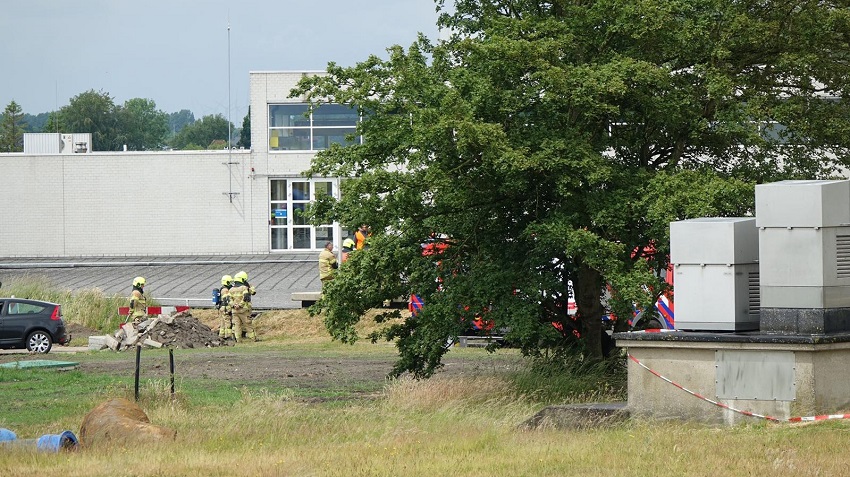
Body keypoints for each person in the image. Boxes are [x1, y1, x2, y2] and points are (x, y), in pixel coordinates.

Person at [229, 271, 257, 342]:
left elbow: (229, 300)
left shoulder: (231, 289)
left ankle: (238, 340)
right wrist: (240, 305)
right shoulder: (244, 288)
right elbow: (246, 297)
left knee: (237, 326)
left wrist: (234, 305)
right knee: (248, 324)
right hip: (243, 310)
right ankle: (253, 339)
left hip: (234, 311)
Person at [216, 275, 234, 339]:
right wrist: (230, 308)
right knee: (228, 322)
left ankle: (221, 335)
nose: (231, 284)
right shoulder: (225, 290)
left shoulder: (223, 289)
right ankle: (228, 336)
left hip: (222, 308)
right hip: (225, 308)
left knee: (223, 322)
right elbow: (227, 300)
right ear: (227, 282)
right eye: (230, 282)